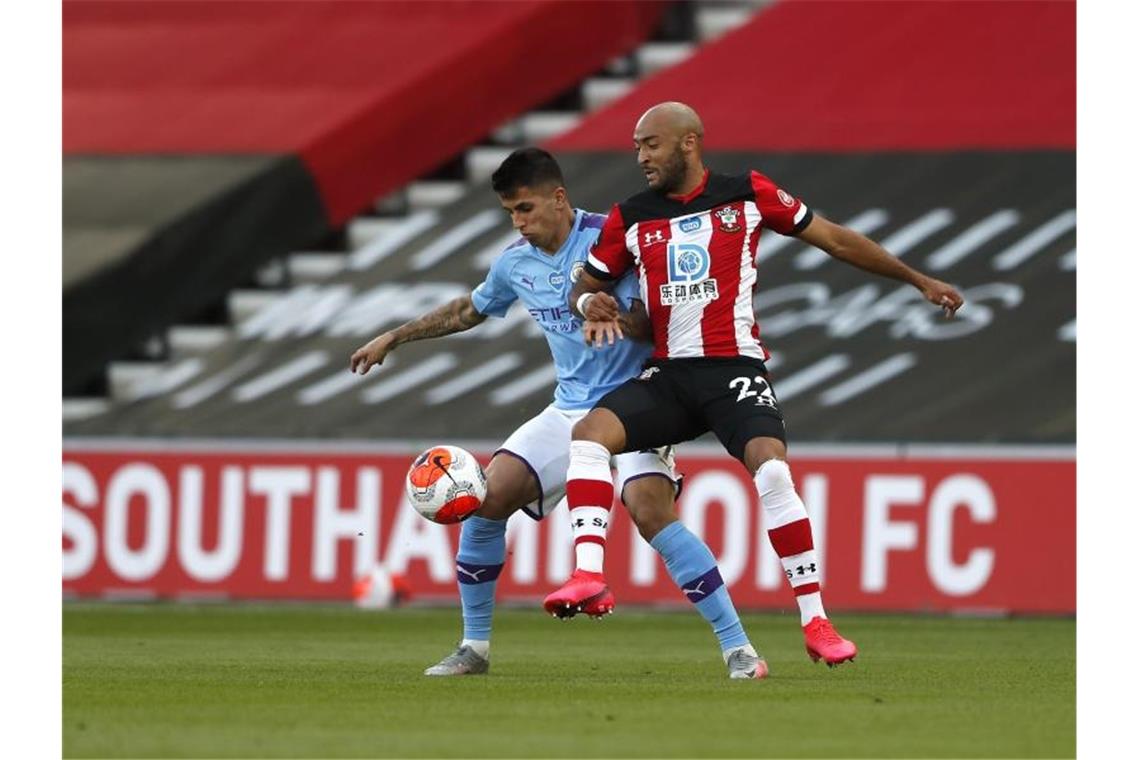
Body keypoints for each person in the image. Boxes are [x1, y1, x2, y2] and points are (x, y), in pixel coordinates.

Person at [560, 102, 966, 668]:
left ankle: (816, 620)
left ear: (689, 143)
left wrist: (918, 281)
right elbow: (584, 281)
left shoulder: (746, 193)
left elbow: (835, 239)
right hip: (671, 373)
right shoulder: (630, 215)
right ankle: (586, 574)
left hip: (734, 370)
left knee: (772, 469)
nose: (641, 157)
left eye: (651, 144)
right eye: (636, 147)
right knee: (588, 436)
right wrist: (588, 301)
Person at [350, 148, 769, 679]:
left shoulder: (612, 238)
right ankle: (473, 648)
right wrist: (395, 336)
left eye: (525, 208)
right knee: (487, 499)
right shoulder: (514, 262)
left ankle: (739, 649)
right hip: (570, 406)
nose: (519, 222)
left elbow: (662, 311)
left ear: (559, 198)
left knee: (649, 510)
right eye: (510, 213)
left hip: (643, 398)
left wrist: (612, 311)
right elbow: (468, 310)